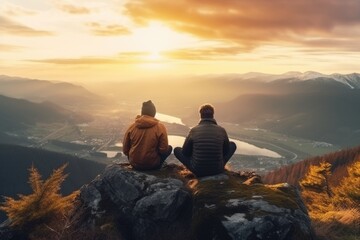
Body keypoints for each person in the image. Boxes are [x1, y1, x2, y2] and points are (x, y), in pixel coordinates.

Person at [174, 104, 236, 177]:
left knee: (177, 150)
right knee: (232, 145)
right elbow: (226, 151)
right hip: (217, 170)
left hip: (198, 170)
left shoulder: (194, 130)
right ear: (213, 115)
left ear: (200, 115)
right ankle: (219, 165)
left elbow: (185, 153)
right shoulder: (221, 130)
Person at [123, 100, 172, 170]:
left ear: (142, 113)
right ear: (154, 113)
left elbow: (125, 150)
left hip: (134, 164)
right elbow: (163, 149)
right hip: (152, 165)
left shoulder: (132, 127)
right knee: (169, 148)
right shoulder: (160, 127)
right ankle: (158, 166)